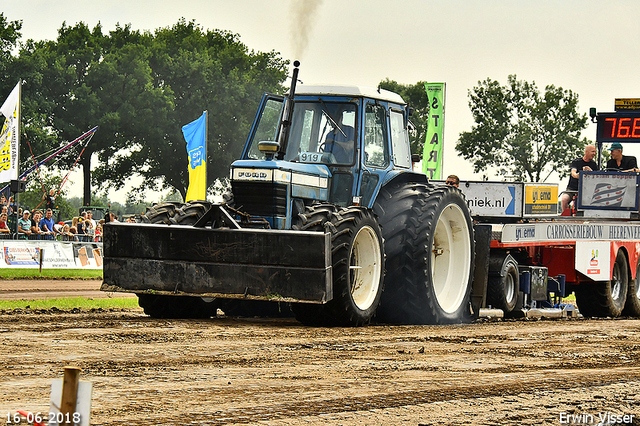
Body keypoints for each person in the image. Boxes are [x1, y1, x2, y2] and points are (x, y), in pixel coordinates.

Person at [560, 144, 599, 211]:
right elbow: (573, 173)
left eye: (595, 152)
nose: (594, 154)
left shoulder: (594, 164)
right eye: (592, 152)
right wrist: (580, 175)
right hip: (572, 189)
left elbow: (597, 178)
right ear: (586, 152)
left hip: (586, 191)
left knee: (580, 206)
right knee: (564, 199)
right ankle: (566, 217)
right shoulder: (576, 162)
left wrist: (591, 173)